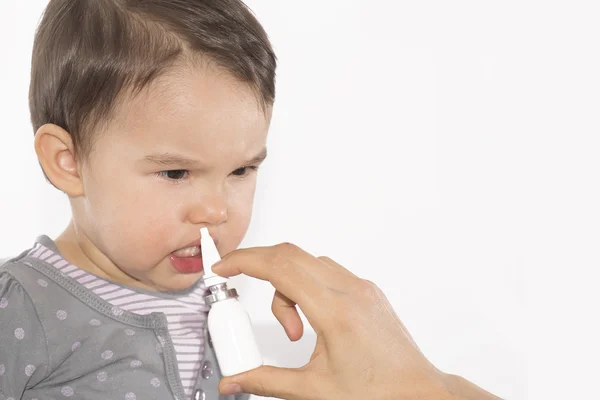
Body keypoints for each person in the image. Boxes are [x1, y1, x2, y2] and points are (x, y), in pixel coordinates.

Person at [0, 0, 500, 399]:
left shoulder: (213, 300)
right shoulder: (20, 308)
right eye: (175, 172)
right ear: (67, 161)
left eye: (242, 170)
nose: (217, 211)